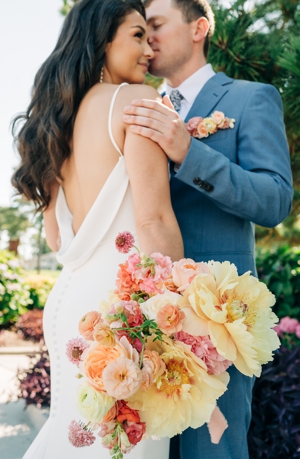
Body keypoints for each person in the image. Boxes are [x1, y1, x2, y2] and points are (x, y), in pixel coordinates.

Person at [11, 0, 181, 456]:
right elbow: (154, 219)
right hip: (124, 313)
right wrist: (185, 312)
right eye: (137, 36)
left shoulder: (54, 125)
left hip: (70, 305)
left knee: (78, 437)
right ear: (103, 40)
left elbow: (57, 239)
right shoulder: (138, 102)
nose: (150, 49)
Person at [122, 1, 291, 457]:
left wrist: (188, 151)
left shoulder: (250, 97)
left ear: (198, 27)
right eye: (140, 29)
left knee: (213, 451)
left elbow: (275, 199)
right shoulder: (134, 106)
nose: (147, 37)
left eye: (156, 25)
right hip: (141, 317)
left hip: (218, 318)